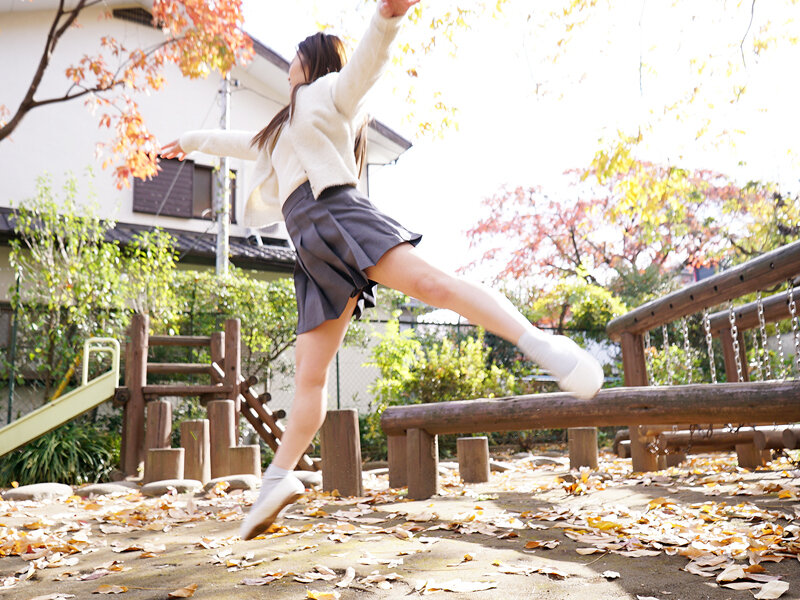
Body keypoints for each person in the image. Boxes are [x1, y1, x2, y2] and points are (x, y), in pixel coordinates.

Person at [160, 0, 603, 541]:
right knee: (311, 377)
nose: (290, 66)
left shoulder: (328, 93)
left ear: (312, 62)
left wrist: (386, 18)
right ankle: (276, 481)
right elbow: (241, 144)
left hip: (340, 216)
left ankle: (542, 345)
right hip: (311, 246)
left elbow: (365, 67)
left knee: (434, 285)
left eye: (296, 57)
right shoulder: (282, 126)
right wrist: (186, 142)